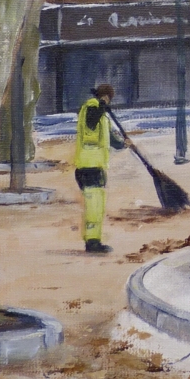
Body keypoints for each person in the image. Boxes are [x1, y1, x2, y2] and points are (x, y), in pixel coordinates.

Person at [74, 83, 124, 253]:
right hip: (88, 166)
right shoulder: (92, 107)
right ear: (106, 97)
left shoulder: (103, 116)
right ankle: (92, 242)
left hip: (96, 165)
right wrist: (102, 105)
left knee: (97, 204)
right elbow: (91, 121)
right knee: (94, 205)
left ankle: (93, 239)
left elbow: (112, 139)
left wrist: (124, 143)